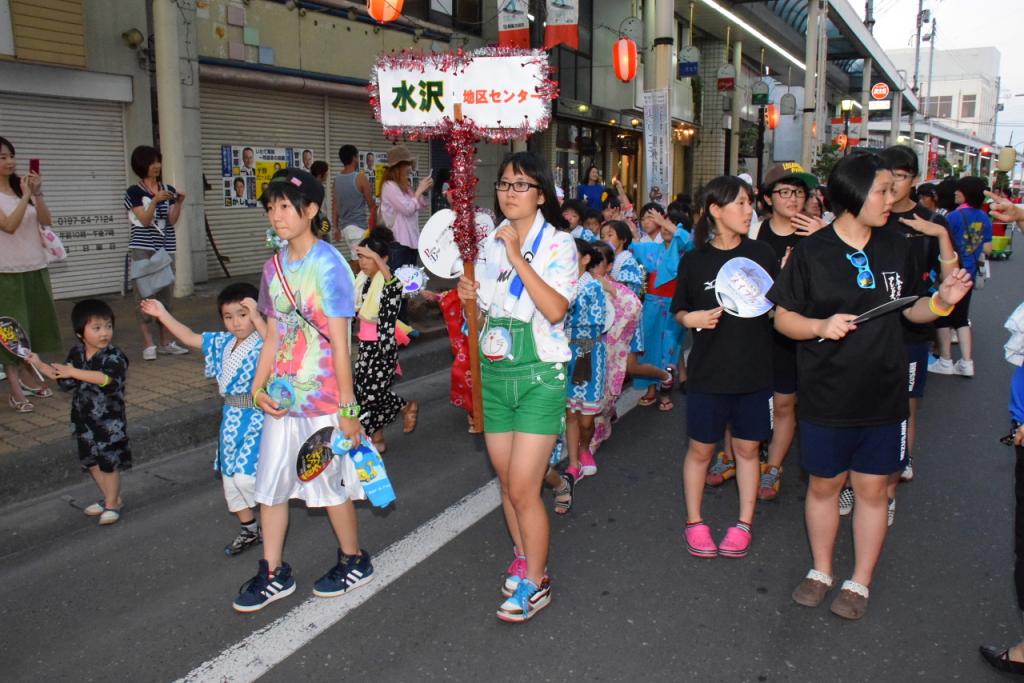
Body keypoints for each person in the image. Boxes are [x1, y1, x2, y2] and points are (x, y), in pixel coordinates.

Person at [769, 152, 972, 620]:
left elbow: (912, 310)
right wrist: (820, 327)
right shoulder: (812, 251)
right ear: (855, 195)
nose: (891, 197)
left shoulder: (897, 245)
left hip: (884, 392)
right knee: (823, 486)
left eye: (892, 188)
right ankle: (820, 570)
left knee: (873, 489)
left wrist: (941, 302)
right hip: (825, 393)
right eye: (882, 189)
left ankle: (859, 580)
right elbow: (783, 318)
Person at [233, 168, 370, 613]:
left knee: (328, 484)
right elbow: (272, 335)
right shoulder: (274, 267)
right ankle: (273, 571)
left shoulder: (330, 264)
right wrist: (257, 387)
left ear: (310, 210)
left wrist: (348, 409)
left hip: (325, 401)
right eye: (271, 208)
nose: (277, 216)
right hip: (282, 398)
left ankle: (353, 559)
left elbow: (341, 341)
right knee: (270, 484)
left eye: (285, 207)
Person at [457, 151, 576, 623]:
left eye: (521, 185)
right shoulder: (487, 246)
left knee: (525, 488)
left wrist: (515, 257)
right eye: (504, 183)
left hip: (539, 377)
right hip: (495, 374)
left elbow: (554, 309)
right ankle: (525, 554)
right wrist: (472, 301)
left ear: (541, 194)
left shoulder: (559, 244)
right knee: (508, 485)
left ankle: (537, 581)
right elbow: (487, 319)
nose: (509, 192)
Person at [671, 176, 778, 561]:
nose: (749, 211)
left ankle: (744, 523)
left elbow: (780, 308)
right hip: (708, 372)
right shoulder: (694, 259)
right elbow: (679, 310)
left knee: (749, 449)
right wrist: (691, 318)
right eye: (741, 204)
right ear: (716, 210)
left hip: (756, 370)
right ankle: (695, 522)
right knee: (701, 450)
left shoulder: (763, 254)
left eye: (751, 203)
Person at [140, 283, 268, 556]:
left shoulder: (266, 342)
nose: (235, 323)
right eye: (228, 316)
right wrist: (161, 313)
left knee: (248, 477)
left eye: (243, 314)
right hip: (230, 417)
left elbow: (279, 355)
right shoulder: (223, 342)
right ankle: (250, 529)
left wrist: (260, 320)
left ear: (257, 313)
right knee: (230, 478)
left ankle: (272, 522)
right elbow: (188, 337)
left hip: (259, 416)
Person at [872, 145, 957, 513]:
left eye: (901, 178)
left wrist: (938, 235)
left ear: (915, 179)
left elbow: (952, 283)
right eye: (886, 180)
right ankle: (862, 474)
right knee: (867, 400)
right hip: (872, 328)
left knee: (906, 404)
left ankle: (899, 463)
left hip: (913, 326)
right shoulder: (873, 215)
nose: (892, 188)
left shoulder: (931, 220)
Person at [751, 162, 822, 501]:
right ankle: (739, 453)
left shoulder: (817, 235)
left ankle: (774, 467)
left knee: (784, 403)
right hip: (754, 331)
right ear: (767, 198)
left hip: (793, 333)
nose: (794, 199)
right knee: (748, 396)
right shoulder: (753, 233)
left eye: (799, 192)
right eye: (785, 192)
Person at [27, 299, 130, 525]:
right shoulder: (76, 354)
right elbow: (62, 378)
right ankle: (111, 499)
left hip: (108, 422)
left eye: (108, 326)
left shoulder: (114, 356)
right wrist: (39, 364)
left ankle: (112, 504)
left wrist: (73, 372)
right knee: (91, 462)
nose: (104, 333)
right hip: (83, 419)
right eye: (97, 328)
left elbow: (106, 379)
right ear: (80, 333)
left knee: (108, 462)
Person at [0, 136, 60, 412]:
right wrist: (26, 195)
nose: (10, 162)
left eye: (11, 156)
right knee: (11, 332)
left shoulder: (20, 190)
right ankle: (14, 390)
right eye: (2, 157)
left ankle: (27, 377)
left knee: (32, 328)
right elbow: (9, 225)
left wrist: (36, 193)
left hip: (34, 267)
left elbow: (45, 221)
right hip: (6, 271)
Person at [353, 227, 418, 454]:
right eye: (361, 256)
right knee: (363, 393)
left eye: (369, 258)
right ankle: (377, 438)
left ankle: (406, 406)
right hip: (365, 346)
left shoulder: (389, 282)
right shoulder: (363, 281)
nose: (363, 262)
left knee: (374, 393)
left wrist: (378, 262)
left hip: (382, 347)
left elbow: (393, 288)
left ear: (383, 260)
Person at [124, 145, 190, 361]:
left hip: (165, 248)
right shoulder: (134, 192)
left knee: (165, 295)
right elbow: (143, 220)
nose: (157, 166)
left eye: (158, 161)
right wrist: (154, 200)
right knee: (144, 295)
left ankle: (165, 342)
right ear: (141, 165)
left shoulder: (167, 188)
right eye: (152, 162)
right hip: (142, 248)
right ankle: (148, 344)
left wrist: (178, 202)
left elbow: (171, 221)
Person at [929, 176, 992, 378]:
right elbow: (988, 248)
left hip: (951, 274)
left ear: (965, 193)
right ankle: (966, 362)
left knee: (943, 316)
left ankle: (945, 361)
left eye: (959, 190)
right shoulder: (984, 217)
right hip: (970, 274)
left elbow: (943, 244)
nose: (955, 193)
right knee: (962, 319)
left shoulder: (954, 217)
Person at [631, 202, 692, 411]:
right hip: (652, 304)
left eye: (671, 226)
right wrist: (628, 230)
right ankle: (649, 389)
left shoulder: (685, 251)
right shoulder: (652, 248)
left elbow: (687, 239)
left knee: (669, 350)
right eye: (663, 226)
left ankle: (665, 391)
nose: (665, 229)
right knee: (648, 348)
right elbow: (632, 247)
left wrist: (664, 221)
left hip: (675, 306)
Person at [563, 238, 607, 490]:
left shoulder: (593, 287)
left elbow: (596, 322)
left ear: (585, 258)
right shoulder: (559, 282)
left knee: (587, 418)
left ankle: (584, 446)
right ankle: (572, 462)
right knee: (570, 411)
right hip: (564, 352)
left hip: (588, 351)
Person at [380, 145, 432, 324]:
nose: (410, 167)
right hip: (398, 243)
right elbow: (408, 208)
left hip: (410, 242)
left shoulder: (404, 186)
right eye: (407, 165)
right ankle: (398, 328)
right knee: (397, 287)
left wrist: (422, 191)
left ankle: (404, 326)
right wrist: (417, 192)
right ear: (399, 167)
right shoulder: (389, 186)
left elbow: (421, 204)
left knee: (408, 287)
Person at [333, 144, 376, 262]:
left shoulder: (337, 179)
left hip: (345, 228)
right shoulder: (360, 178)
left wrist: (336, 228)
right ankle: (353, 280)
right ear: (354, 158)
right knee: (362, 261)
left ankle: (354, 279)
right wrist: (374, 225)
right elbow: (371, 205)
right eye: (357, 156)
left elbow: (335, 205)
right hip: (359, 228)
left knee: (356, 258)